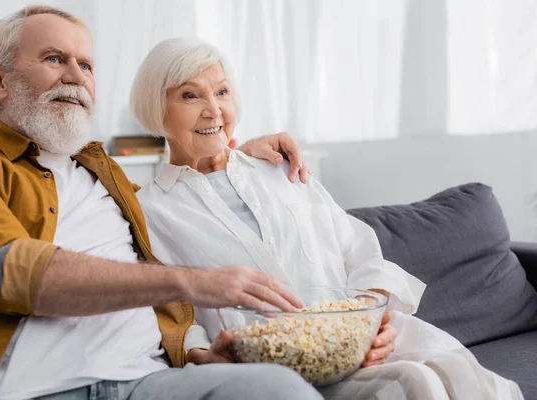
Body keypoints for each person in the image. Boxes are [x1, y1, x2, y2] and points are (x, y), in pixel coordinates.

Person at [0, 6, 326, 400]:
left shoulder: (108, 176)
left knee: (280, 389)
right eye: (54, 59)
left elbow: (173, 214)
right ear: (0, 80)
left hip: (148, 383)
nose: (75, 76)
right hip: (28, 390)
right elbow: (7, 272)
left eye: (86, 65)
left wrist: (236, 156)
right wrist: (192, 282)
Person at [133, 37, 525, 400]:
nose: (213, 109)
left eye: (222, 92)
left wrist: (378, 315)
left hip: (362, 345)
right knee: (414, 383)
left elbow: (359, 250)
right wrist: (204, 354)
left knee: (462, 378)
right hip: (274, 370)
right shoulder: (151, 211)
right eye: (190, 95)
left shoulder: (280, 170)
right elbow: (169, 311)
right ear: (157, 109)